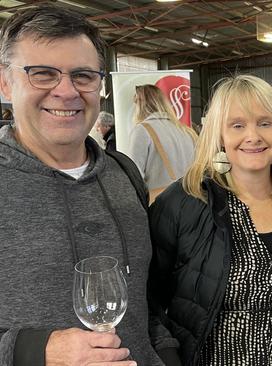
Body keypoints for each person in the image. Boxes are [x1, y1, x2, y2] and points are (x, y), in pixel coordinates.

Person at [0, 5, 164, 366]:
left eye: (83, 75)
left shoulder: (124, 174)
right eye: (42, 74)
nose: (66, 91)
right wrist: (35, 350)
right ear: (5, 82)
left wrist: (164, 353)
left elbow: (147, 299)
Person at [147, 75, 272, 366]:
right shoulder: (184, 203)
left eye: (265, 123)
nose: (253, 136)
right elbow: (149, 299)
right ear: (219, 135)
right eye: (238, 125)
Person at [125, 84, 197, 203]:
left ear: (139, 104)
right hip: (192, 203)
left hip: (161, 205)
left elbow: (134, 176)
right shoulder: (187, 131)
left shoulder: (142, 130)